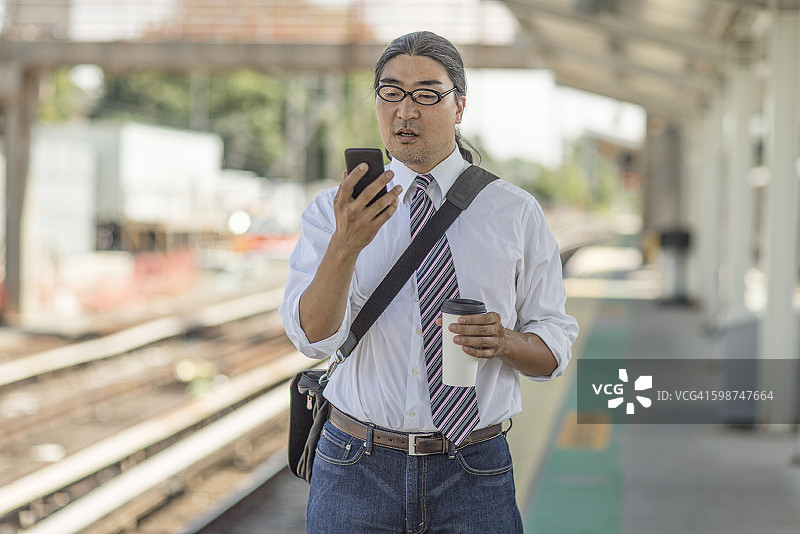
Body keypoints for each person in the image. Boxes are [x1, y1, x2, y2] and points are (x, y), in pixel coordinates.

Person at [280, 30, 578, 533]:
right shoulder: (336, 211)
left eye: (426, 94)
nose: (406, 111)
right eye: (391, 92)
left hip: (474, 470)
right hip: (355, 466)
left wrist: (502, 341)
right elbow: (311, 339)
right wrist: (346, 243)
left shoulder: (515, 213)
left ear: (459, 106)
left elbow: (554, 350)